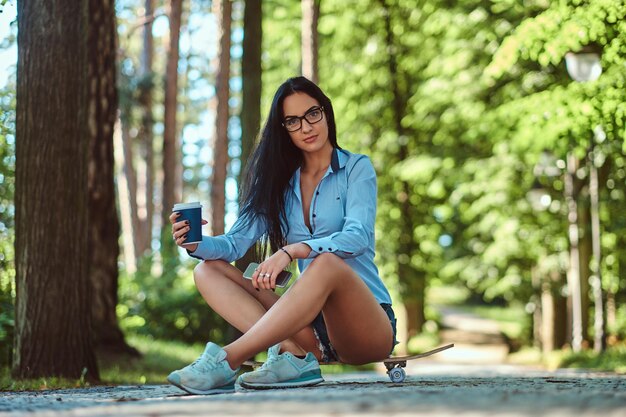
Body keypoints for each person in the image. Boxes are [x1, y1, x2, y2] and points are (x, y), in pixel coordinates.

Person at [167, 76, 397, 395]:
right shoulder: (277, 185)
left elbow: (356, 237)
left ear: (326, 112)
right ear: (284, 129)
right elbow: (233, 244)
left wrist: (292, 251)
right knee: (207, 269)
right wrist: (196, 243)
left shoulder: (357, 169)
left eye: (312, 114)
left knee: (326, 263)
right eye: (293, 121)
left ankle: (227, 360)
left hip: (365, 326)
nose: (306, 126)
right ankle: (294, 356)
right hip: (307, 329)